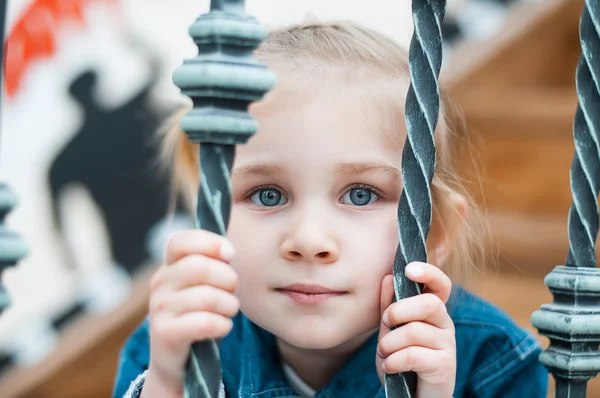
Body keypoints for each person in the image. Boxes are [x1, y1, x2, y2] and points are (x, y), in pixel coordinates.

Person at [113, 21, 548, 398]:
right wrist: (169, 384)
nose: (308, 240)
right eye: (268, 194)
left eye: (360, 194)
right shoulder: (172, 342)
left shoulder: (491, 358)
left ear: (433, 232)